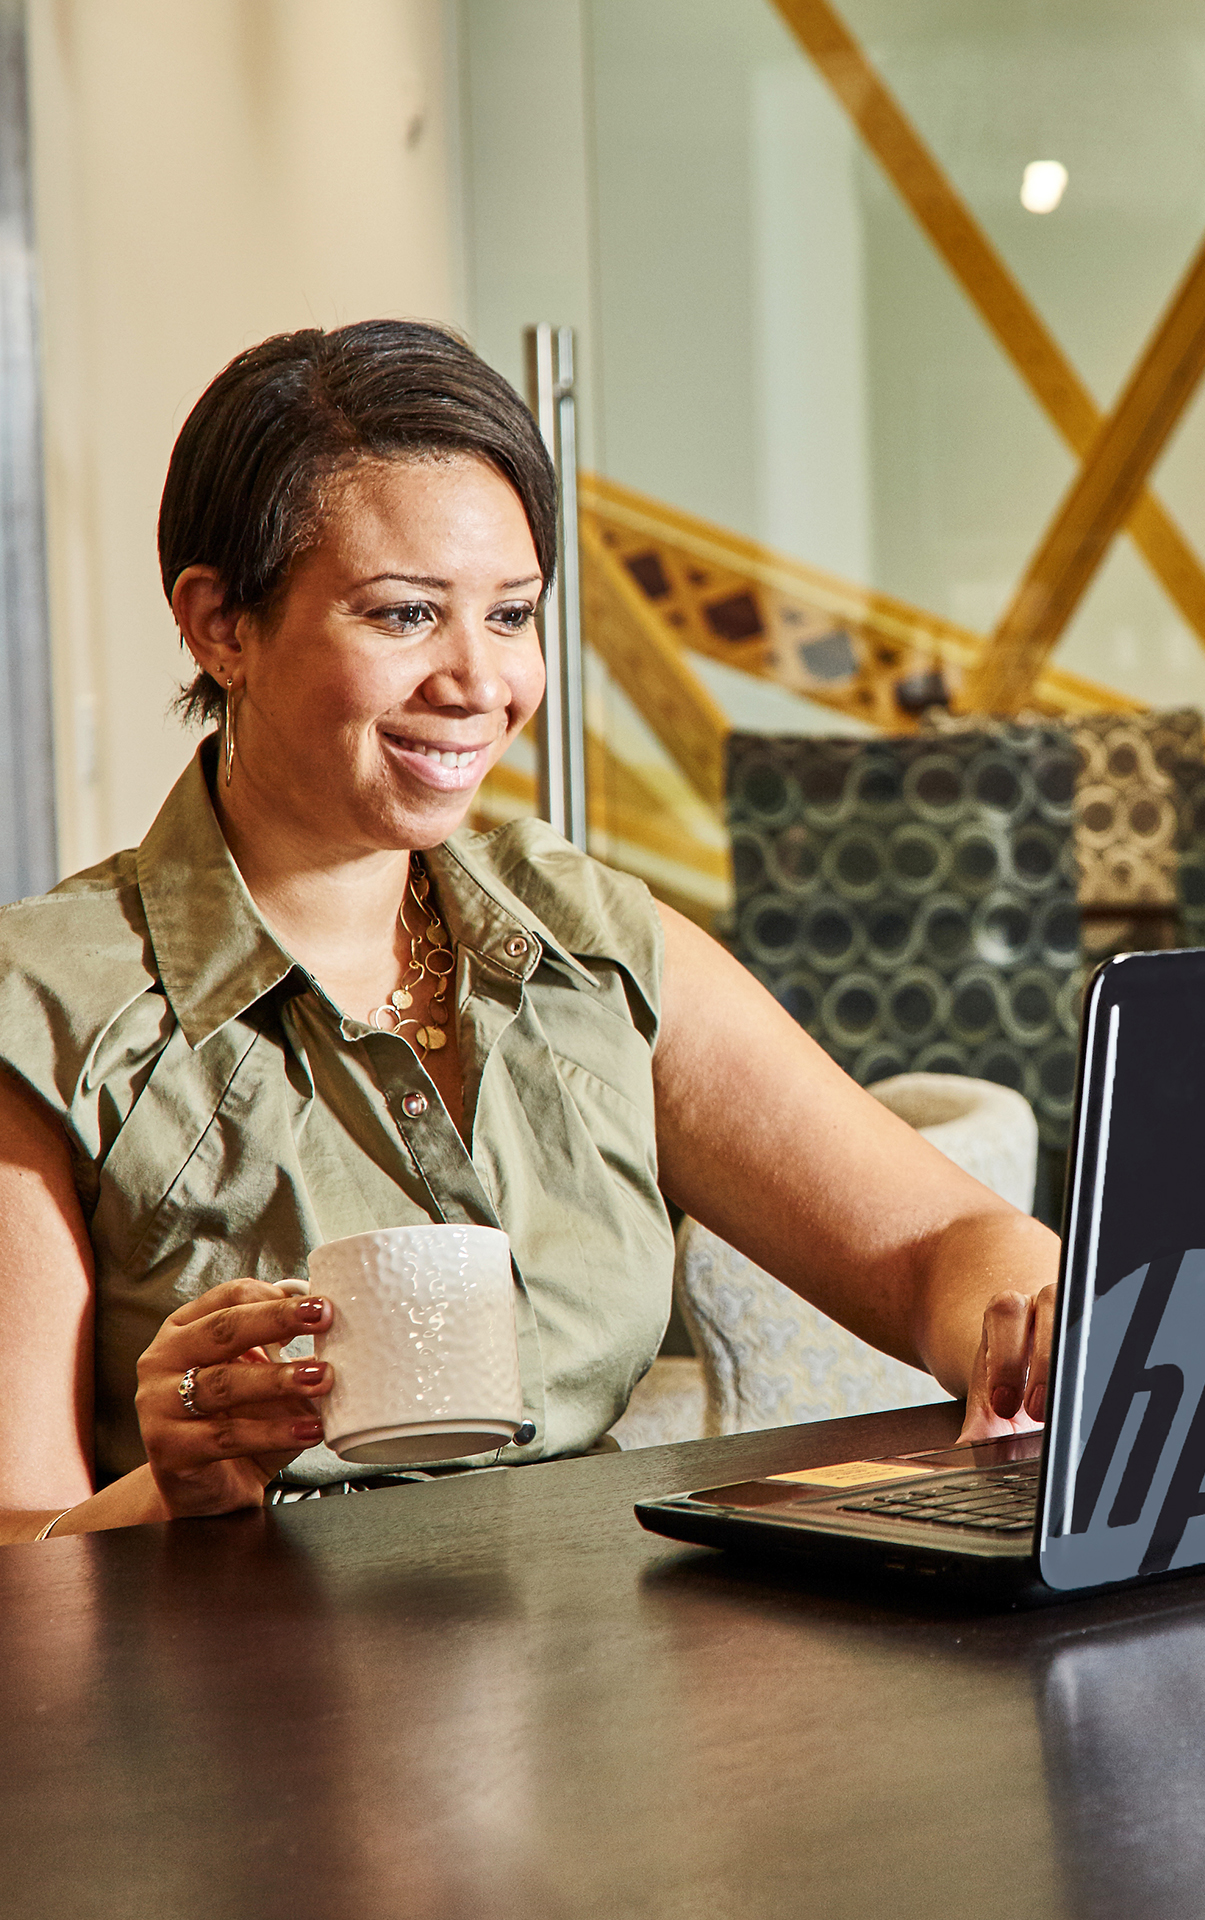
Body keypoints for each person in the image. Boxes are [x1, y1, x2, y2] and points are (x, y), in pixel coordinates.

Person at [0, 321, 1059, 1544]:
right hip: (232, 1661)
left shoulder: (582, 937)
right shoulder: (47, 1009)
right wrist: (165, 1495)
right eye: (404, 615)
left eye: (510, 615)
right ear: (219, 625)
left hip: (613, 1638)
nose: (477, 683)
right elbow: (18, 1546)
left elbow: (939, 1243)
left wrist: (1030, 1330)